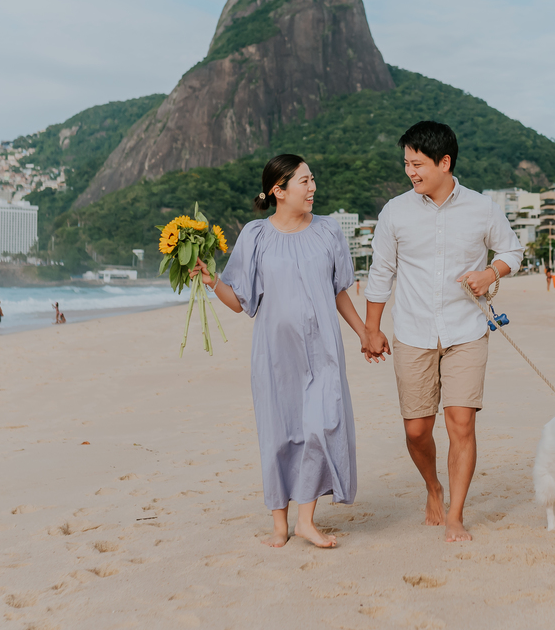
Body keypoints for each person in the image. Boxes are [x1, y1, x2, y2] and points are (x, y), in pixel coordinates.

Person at [191, 154, 368, 550]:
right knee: (278, 433)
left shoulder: (328, 232)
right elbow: (239, 300)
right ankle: (279, 522)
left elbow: (339, 290)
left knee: (323, 425)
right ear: (278, 190)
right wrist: (210, 280)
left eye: (313, 179)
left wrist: (364, 332)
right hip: (275, 355)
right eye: (305, 181)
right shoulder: (255, 235)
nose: (313, 188)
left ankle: (305, 519)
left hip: (323, 350)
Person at [364, 121, 524, 543]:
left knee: (461, 423)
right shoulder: (394, 212)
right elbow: (381, 272)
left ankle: (455, 513)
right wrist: (371, 329)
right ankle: (432, 486)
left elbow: (512, 249)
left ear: (444, 162)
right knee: (416, 430)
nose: (410, 172)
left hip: (466, 330)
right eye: (406, 164)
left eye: (417, 164)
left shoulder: (481, 208)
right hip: (412, 332)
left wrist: (490, 272)